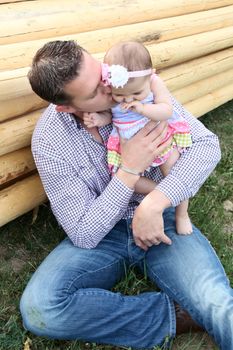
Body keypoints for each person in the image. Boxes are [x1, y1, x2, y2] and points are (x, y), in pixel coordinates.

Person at [19, 40, 233, 350]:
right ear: (66, 106)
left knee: (217, 303)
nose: (111, 89)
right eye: (94, 92)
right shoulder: (50, 141)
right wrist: (129, 170)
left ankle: (204, 308)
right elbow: (83, 233)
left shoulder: (136, 88)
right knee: (41, 309)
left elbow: (206, 147)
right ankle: (177, 315)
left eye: (103, 75)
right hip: (105, 232)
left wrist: (155, 203)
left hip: (164, 220)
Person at [83, 41, 193, 235]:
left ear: (151, 75)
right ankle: (162, 193)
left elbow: (166, 110)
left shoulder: (154, 83)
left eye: (136, 94)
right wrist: (99, 119)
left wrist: (143, 108)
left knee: (175, 172)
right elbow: (112, 116)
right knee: (128, 179)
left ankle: (182, 214)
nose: (127, 99)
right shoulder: (117, 92)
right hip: (126, 145)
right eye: (120, 95)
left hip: (159, 138)